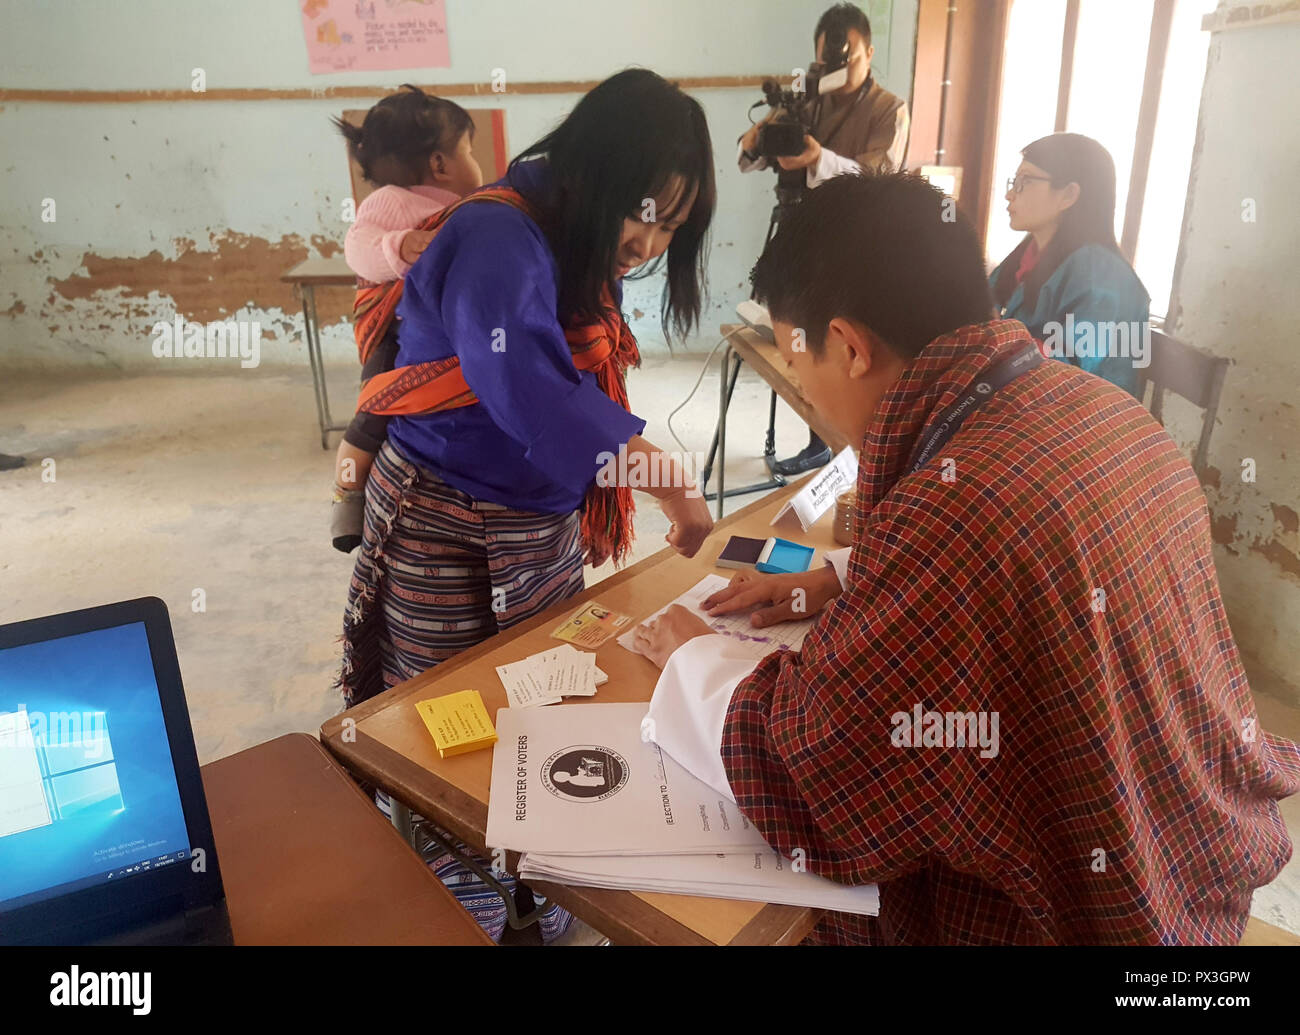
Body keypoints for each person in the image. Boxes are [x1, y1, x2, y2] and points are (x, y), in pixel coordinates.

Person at [632, 172, 1300, 945]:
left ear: (848, 346)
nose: (802, 391)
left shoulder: (951, 517)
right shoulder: (1105, 411)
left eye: (798, 359)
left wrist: (697, 662)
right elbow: (1027, 573)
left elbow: (813, 776)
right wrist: (842, 577)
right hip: (1190, 880)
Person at [337, 68, 717, 942]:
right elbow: (527, 387)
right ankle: (458, 905)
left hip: (534, 525)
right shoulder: (497, 234)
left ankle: (531, 879)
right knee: (444, 722)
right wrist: (660, 473)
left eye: (673, 224)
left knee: (534, 700)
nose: (651, 243)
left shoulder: (570, 231)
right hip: (444, 523)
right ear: (596, 170)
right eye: (646, 211)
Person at [738, 2, 909, 476]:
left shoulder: (889, 109)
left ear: (869, 52)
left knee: (839, 340)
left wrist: (818, 159)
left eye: (845, 60)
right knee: (793, 331)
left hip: (859, 240)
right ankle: (813, 437)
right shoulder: (804, 96)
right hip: (801, 228)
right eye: (826, 63)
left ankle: (845, 445)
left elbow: (881, 174)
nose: (834, 71)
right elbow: (748, 160)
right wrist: (757, 136)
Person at [329, 86, 485, 552]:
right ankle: (346, 498)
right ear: (440, 164)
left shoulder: (469, 210)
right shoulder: (392, 201)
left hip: (444, 335)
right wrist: (396, 247)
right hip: (397, 339)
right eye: (469, 151)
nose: (476, 163)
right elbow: (358, 248)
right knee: (370, 421)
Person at [989, 133, 1151, 397]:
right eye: (1013, 182)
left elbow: (1067, 374)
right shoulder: (1023, 257)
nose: (1009, 194)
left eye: (1024, 182)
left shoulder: (1103, 278)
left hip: (1083, 425)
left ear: (1069, 195)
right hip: (1025, 408)